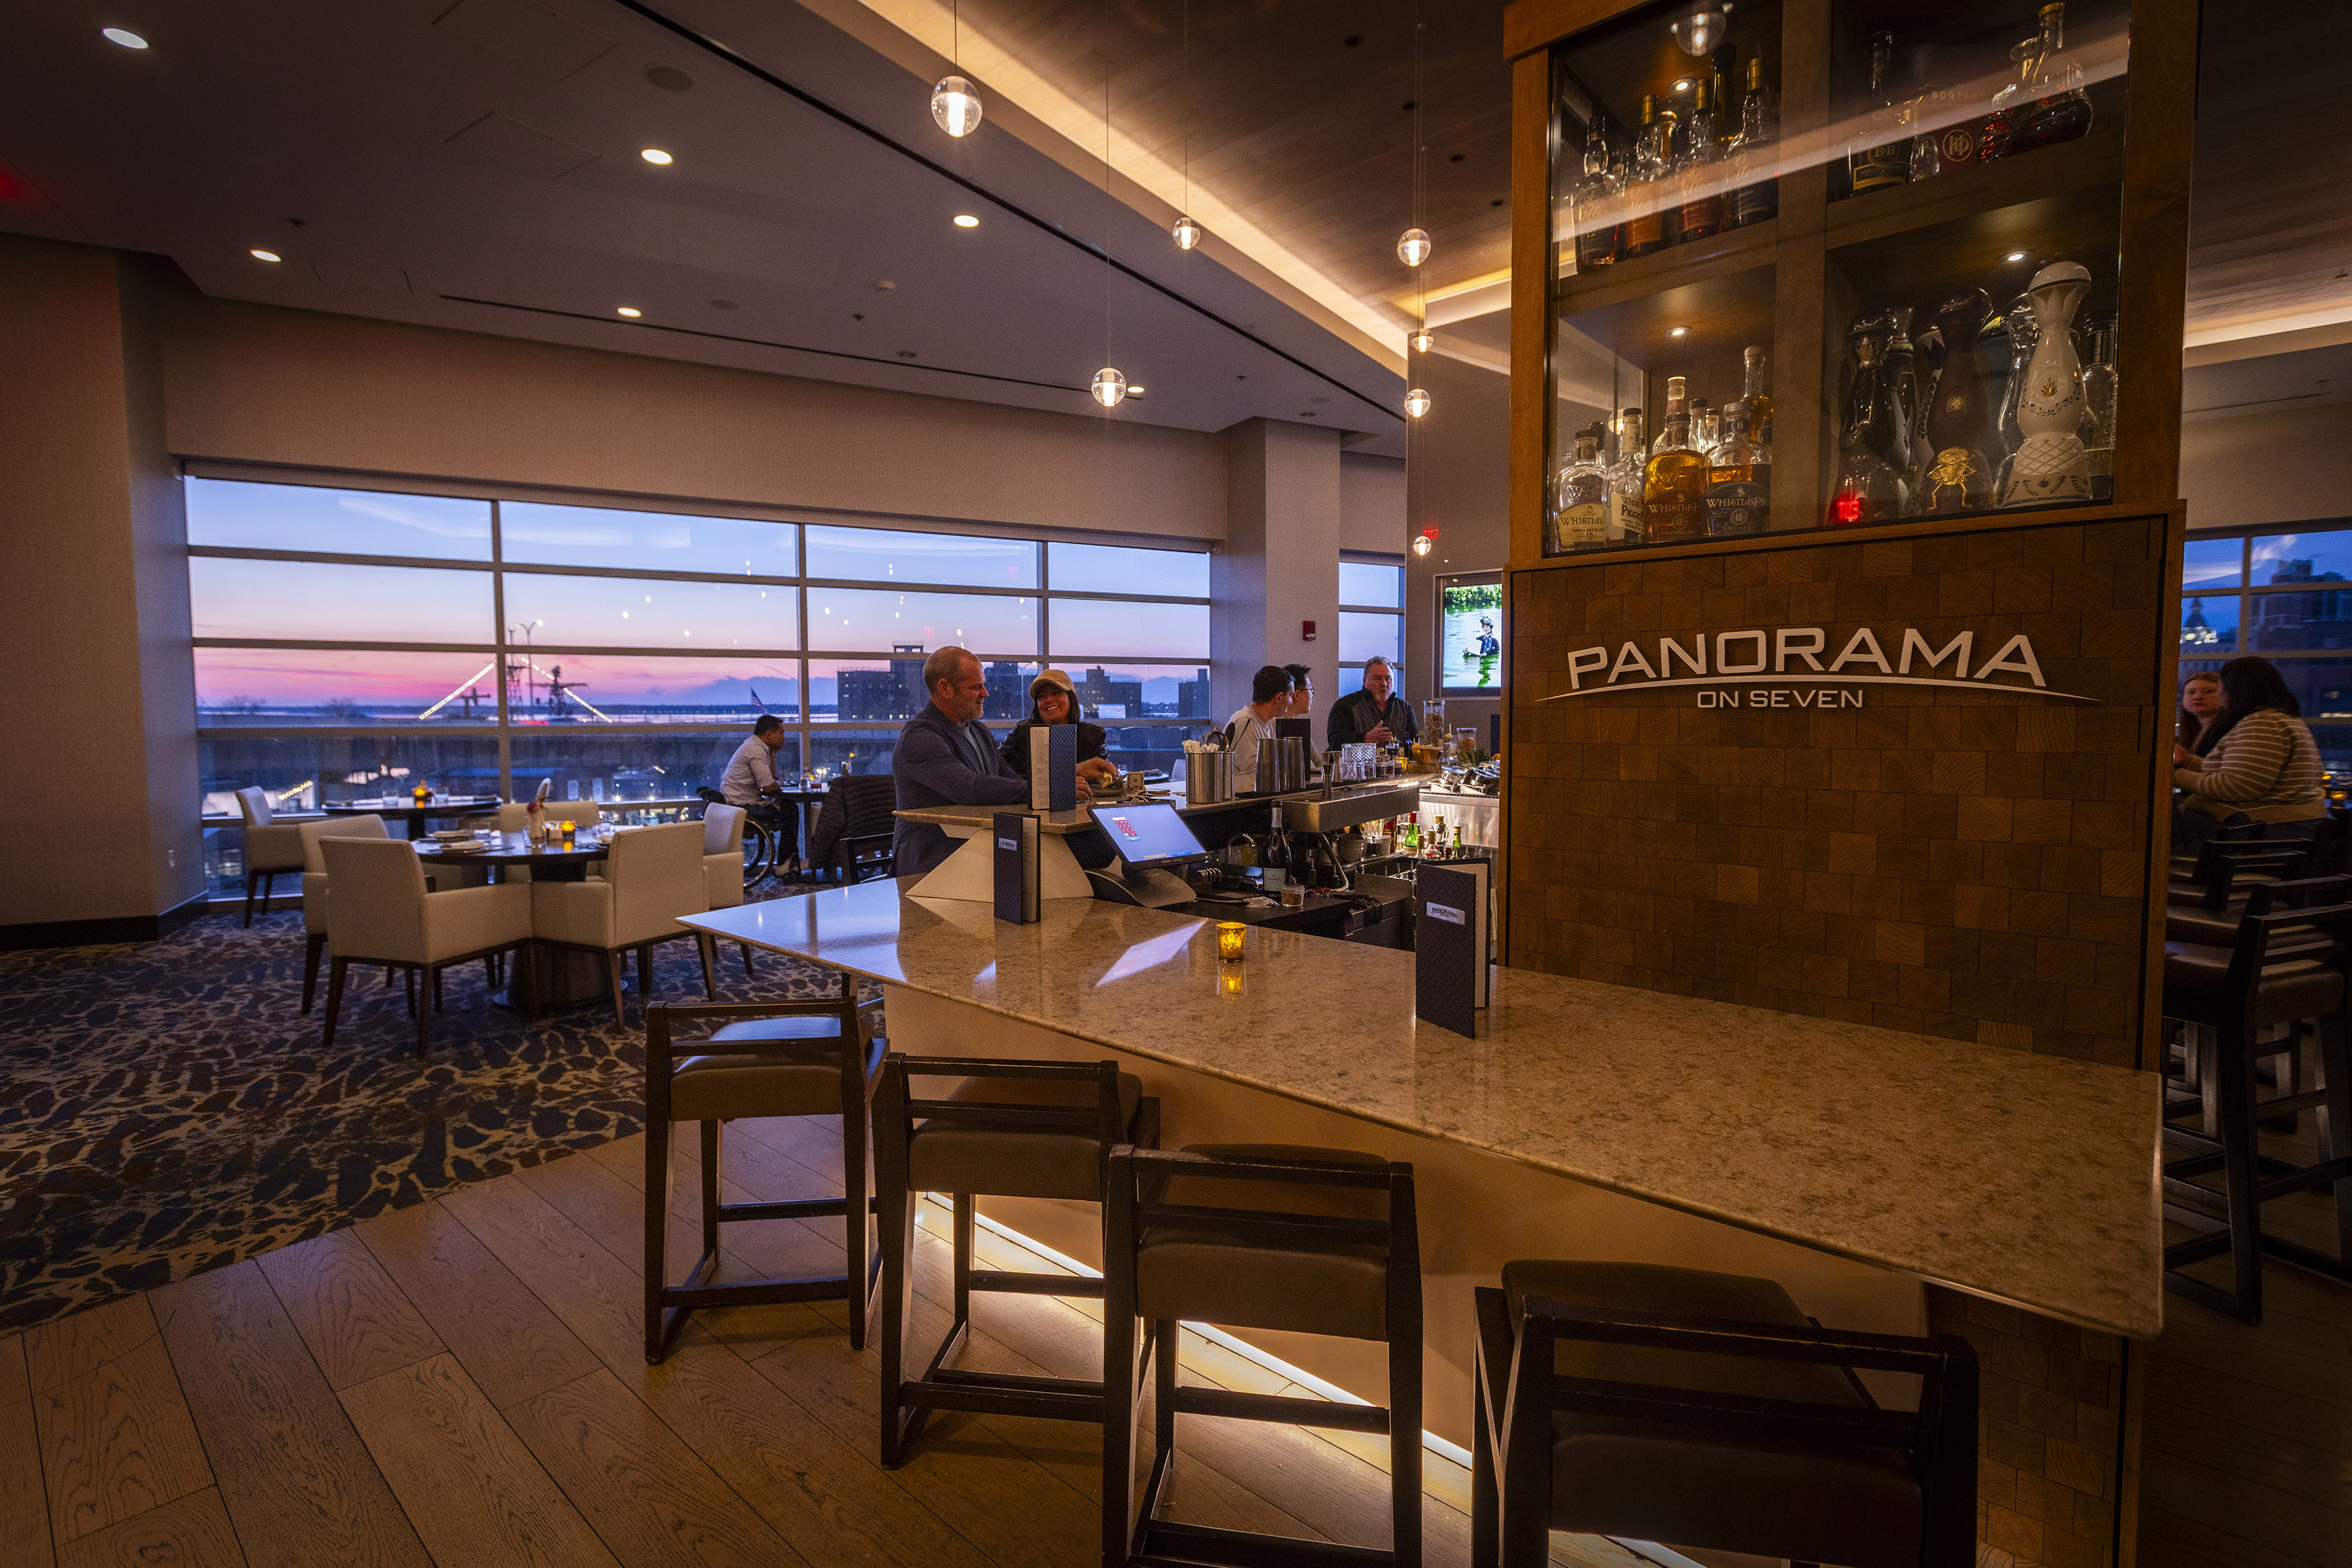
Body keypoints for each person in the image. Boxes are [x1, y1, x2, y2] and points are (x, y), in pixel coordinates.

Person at [893, 647, 1042, 875]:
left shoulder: (979, 731)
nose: (985, 693)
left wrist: (1049, 787)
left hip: (974, 846)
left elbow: (1013, 781)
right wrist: (1046, 790)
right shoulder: (919, 738)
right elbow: (970, 788)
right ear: (945, 688)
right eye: (976, 687)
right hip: (931, 860)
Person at [2171, 655, 2326, 850]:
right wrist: (2188, 762)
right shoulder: (2278, 719)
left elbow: (2235, 787)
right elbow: (2243, 774)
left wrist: (2173, 774)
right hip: (2276, 825)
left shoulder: (2263, 724)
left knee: (2144, 827)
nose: (2219, 694)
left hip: (2265, 830)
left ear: (2236, 690)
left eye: (2219, 688)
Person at [1001, 669, 1118, 790]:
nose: (1049, 699)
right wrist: (1072, 773)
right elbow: (1000, 774)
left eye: (1056, 693)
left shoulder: (1093, 735)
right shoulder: (1022, 732)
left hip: (1083, 806)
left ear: (1071, 698)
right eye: (1042, 696)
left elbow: (1103, 783)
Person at [720, 713, 799, 871]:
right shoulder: (755, 750)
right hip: (741, 805)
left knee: (788, 807)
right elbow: (768, 787)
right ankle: (784, 863)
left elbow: (770, 778)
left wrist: (773, 753)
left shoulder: (757, 748)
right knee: (790, 809)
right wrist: (780, 782)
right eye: (781, 733)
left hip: (737, 801)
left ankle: (789, 859)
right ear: (769, 734)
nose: (784, 738)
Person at [1326, 656, 1419, 750]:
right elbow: (1335, 740)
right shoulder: (1346, 705)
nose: (1384, 684)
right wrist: (1365, 738)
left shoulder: (1405, 708)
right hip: (1355, 764)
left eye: (1388, 679)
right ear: (1364, 681)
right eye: (1377, 679)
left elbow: (1415, 743)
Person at [1224, 665, 1293, 773]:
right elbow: (1252, 772)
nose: (1291, 702)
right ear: (1278, 697)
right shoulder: (1244, 722)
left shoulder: (1266, 723)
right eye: (1290, 696)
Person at [2177, 670, 2223, 756]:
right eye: (2191, 692)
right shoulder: (2184, 734)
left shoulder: (2228, 731)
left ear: (2224, 695)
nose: (2198, 697)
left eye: (2208, 692)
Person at [1464, 615, 1500, 687]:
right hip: (1479, 662)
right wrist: (1466, 653)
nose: (1485, 629)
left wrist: (1487, 656)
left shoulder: (1495, 641)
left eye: (1487, 626)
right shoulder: (1478, 639)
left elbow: (1496, 656)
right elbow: (1473, 653)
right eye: (1484, 627)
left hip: (1489, 663)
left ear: (1491, 627)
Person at [1282, 664, 1314, 732]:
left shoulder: (1295, 724)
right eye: (1310, 690)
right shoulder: (1276, 726)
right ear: (1297, 695)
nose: (1312, 695)